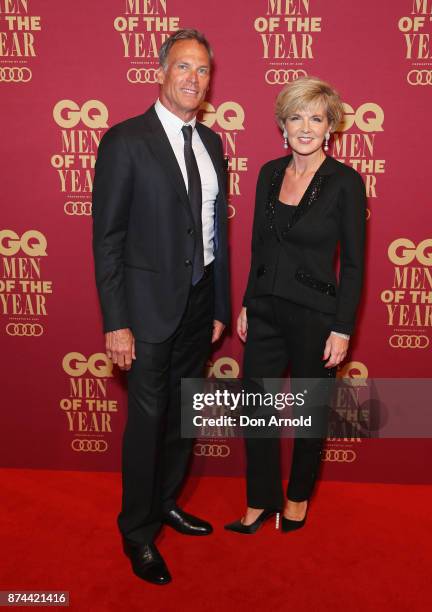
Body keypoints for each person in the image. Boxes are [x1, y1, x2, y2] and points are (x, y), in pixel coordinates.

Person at [92, 29, 230, 584]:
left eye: (202, 71)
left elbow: (215, 229)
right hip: (146, 311)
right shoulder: (125, 141)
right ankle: (138, 531)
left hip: (198, 304)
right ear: (161, 72)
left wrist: (217, 303)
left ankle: (167, 501)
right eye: (183, 67)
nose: (193, 79)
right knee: (148, 423)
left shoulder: (213, 143)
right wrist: (116, 321)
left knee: (183, 416)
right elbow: (108, 240)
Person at [224, 76, 366, 534]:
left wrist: (342, 329)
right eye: (296, 117)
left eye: (316, 118)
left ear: (330, 127)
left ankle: (298, 494)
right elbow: (257, 247)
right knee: (255, 404)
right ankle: (261, 498)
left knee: (309, 408)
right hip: (264, 310)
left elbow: (356, 265)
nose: (306, 127)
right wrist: (247, 302)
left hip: (315, 315)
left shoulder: (345, 182)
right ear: (282, 125)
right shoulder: (267, 173)